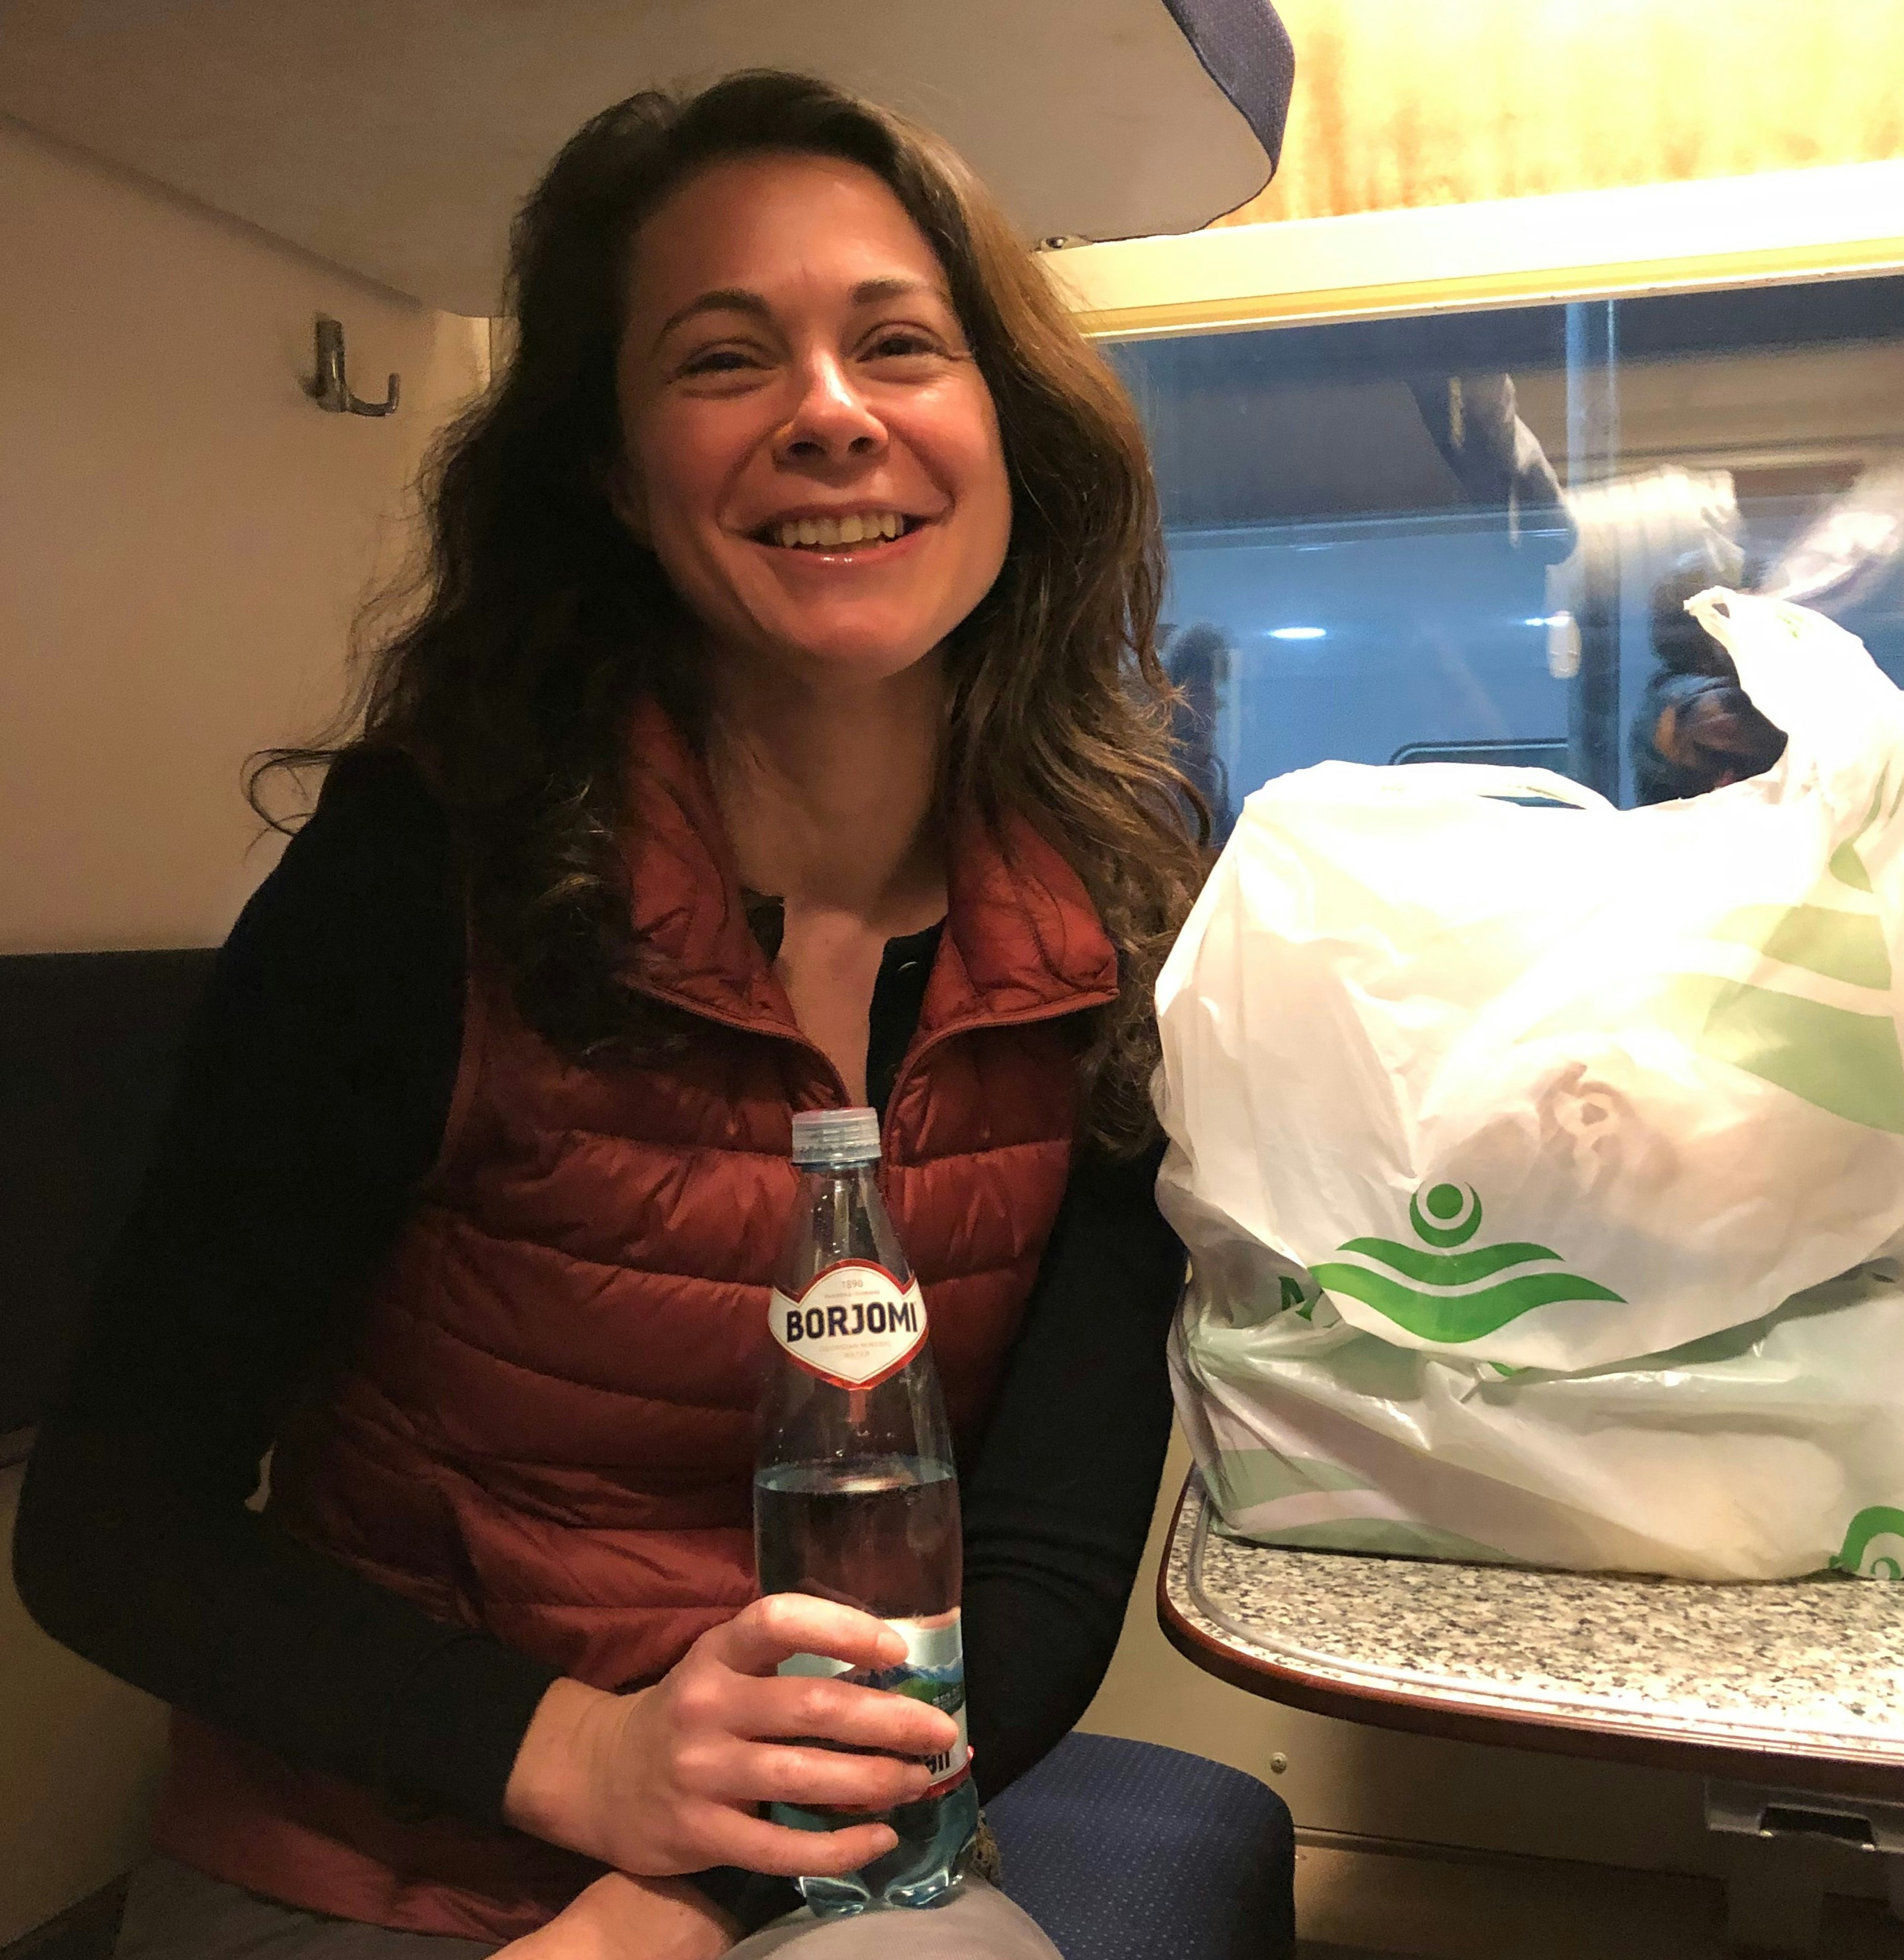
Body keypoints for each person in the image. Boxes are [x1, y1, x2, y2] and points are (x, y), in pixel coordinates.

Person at [13, 72, 1208, 1960]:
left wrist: (678, 1895)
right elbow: (107, 1525)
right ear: (610, 468)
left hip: (819, 1855)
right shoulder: (422, 884)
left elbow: (1041, 1582)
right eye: (725, 360)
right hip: (366, 1850)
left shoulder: (1124, 925)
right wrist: (582, 1758)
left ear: (1011, 433)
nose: (831, 413)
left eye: (901, 342)